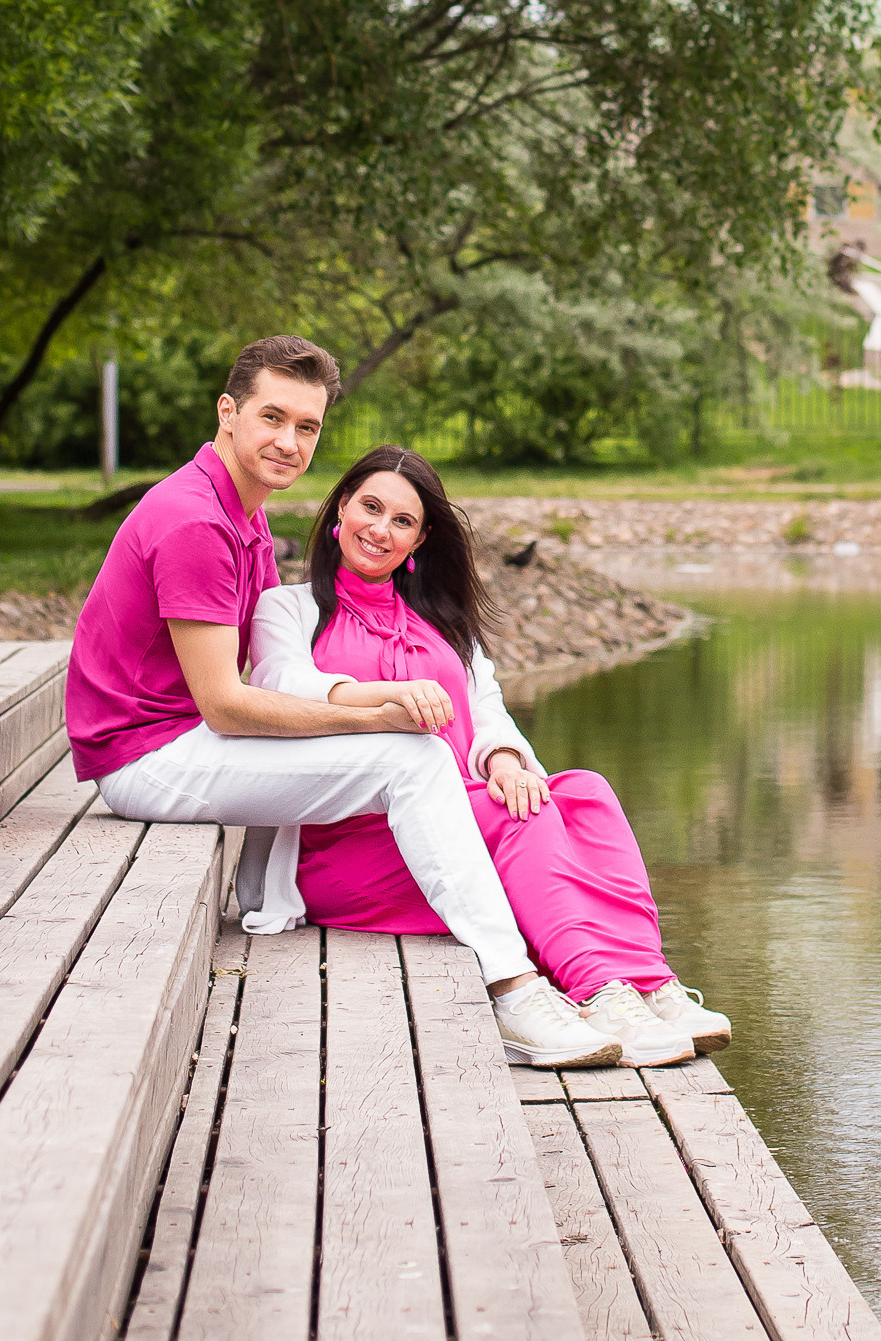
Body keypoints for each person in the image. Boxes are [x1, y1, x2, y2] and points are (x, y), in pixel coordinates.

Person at [63, 335, 620, 1071]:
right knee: (412, 758)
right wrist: (377, 710)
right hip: (147, 755)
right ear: (227, 413)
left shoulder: (245, 513)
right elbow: (229, 706)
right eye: (271, 418)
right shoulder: (195, 520)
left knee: (417, 758)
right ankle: (514, 988)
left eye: (307, 426)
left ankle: (553, 976)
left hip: (179, 735)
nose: (289, 442)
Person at [248, 443, 730, 1071]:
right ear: (341, 507)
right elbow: (281, 685)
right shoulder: (288, 610)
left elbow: (487, 710)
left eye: (403, 521)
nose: (380, 530)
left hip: (458, 834)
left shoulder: (445, 625)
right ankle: (600, 990)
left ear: (419, 542)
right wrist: (383, 695)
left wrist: (502, 757)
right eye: (370, 507)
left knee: (581, 793)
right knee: (516, 817)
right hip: (350, 852)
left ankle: (649, 986)